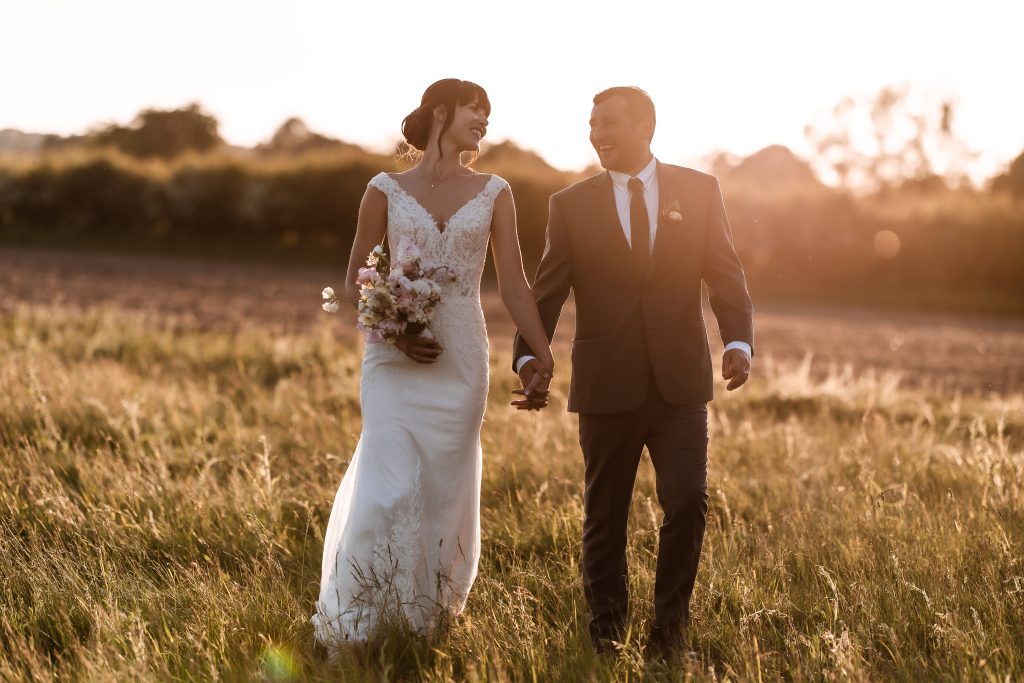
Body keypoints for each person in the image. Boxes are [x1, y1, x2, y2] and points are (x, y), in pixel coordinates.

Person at [512, 86, 754, 658]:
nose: (597, 133)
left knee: (689, 500)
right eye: (592, 124)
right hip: (606, 381)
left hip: (680, 383)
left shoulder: (699, 190)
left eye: (609, 123)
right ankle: (606, 634)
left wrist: (737, 340)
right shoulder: (570, 205)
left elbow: (725, 272)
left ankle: (669, 635)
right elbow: (547, 292)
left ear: (646, 126)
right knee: (605, 514)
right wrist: (529, 357)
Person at [313, 79, 554, 646]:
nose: (485, 121)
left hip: (461, 361)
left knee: (444, 491)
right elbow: (355, 280)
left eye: (489, 113)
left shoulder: (497, 191)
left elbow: (514, 284)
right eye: (478, 109)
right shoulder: (384, 189)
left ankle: (421, 619)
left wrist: (541, 352)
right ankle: (353, 625)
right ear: (442, 112)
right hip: (392, 361)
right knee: (388, 487)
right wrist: (396, 332)